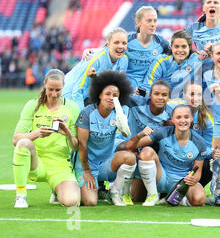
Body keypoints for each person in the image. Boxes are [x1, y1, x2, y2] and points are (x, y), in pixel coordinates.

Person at [123, 105, 219, 206]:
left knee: (199, 199)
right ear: (172, 119)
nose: (183, 121)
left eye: (186, 117)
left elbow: (197, 172)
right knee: (146, 151)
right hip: (161, 177)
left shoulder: (199, 142)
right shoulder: (163, 132)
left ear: (191, 119)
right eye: (178, 117)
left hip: (182, 181)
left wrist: (193, 178)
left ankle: (179, 199)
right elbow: (132, 145)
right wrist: (140, 135)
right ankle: (153, 195)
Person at [13, 69, 80, 208]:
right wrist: (36, 134)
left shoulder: (72, 108)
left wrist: (67, 133)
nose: (54, 94)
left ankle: (56, 190)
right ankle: (20, 195)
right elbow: (16, 140)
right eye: (50, 89)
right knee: (24, 143)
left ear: (64, 87)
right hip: (36, 162)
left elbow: (76, 147)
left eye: (58, 90)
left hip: (60, 165)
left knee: (72, 202)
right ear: (44, 84)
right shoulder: (33, 105)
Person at [73, 70, 136, 206]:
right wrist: (87, 171)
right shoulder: (87, 113)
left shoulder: (118, 112)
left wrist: (121, 119)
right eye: (107, 94)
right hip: (87, 164)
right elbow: (82, 145)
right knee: (90, 202)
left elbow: (126, 134)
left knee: (130, 157)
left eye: (115, 96)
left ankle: (114, 191)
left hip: (105, 163)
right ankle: (82, 185)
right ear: (99, 94)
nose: (111, 98)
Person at [83, 6, 170, 91]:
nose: (153, 24)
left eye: (155, 21)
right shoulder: (126, 40)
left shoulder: (162, 43)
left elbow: (177, 53)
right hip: (127, 89)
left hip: (148, 90)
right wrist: (90, 51)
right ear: (138, 22)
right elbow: (107, 49)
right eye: (149, 21)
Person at [116, 78, 172, 205]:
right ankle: (122, 191)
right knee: (130, 151)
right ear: (150, 94)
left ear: (169, 97)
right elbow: (116, 93)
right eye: (156, 93)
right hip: (128, 147)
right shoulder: (136, 102)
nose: (160, 97)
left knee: (138, 199)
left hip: (147, 156)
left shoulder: (170, 114)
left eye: (164, 95)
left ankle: (155, 193)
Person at [63, 27, 129, 110]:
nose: (121, 46)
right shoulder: (95, 58)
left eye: (124, 43)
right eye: (116, 42)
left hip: (91, 98)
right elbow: (78, 89)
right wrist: (80, 116)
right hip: (70, 95)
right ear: (108, 44)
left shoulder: (124, 60)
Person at [166, 81, 215, 187]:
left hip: (193, 157)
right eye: (192, 94)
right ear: (184, 95)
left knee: (211, 162)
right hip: (171, 154)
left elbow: (207, 148)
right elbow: (154, 104)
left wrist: (212, 153)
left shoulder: (207, 119)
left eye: (199, 95)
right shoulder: (171, 107)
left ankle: (191, 187)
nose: (195, 98)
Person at [142, 29, 210, 98]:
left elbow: (217, 61)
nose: (180, 50)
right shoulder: (161, 61)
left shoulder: (198, 59)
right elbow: (146, 86)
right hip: (164, 105)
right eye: (176, 46)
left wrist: (209, 52)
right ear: (171, 47)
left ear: (189, 47)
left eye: (183, 46)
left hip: (189, 105)